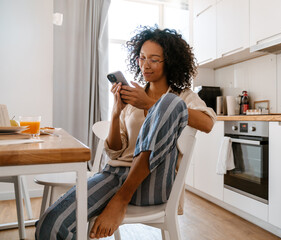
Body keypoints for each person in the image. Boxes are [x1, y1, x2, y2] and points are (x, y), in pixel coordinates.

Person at [35, 26, 216, 239]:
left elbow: (207, 123)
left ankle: (120, 200)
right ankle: (118, 196)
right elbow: (114, 151)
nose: (145, 64)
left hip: (154, 181)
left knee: (170, 103)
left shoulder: (182, 96)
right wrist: (116, 112)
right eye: (142, 57)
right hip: (114, 175)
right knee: (51, 223)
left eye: (154, 59)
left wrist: (149, 103)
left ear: (170, 62)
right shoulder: (132, 99)